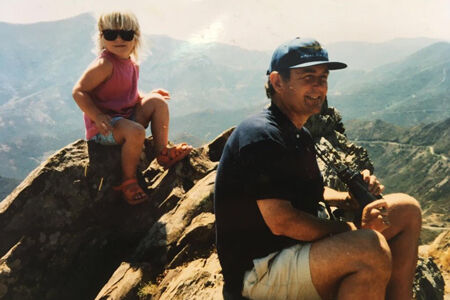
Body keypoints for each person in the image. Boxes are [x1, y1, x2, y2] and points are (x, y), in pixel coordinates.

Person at [214, 37, 422, 300]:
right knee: (369, 248)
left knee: (406, 209)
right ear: (278, 82)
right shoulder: (261, 135)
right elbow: (282, 221)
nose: (319, 87)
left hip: (294, 254)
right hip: (259, 272)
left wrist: (350, 198)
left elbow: (307, 189)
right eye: (308, 77)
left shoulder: (298, 133)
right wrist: (350, 230)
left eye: (323, 78)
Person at [73, 11, 192, 205]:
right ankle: (128, 180)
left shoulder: (131, 63)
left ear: (135, 37)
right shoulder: (104, 64)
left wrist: (148, 96)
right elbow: (78, 91)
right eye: (111, 34)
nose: (119, 39)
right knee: (137, 132)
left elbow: (126, 93)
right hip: (105, 128)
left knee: (158, 102)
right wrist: (96, 115)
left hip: (125, 118)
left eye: (126, 34)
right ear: (102, 38)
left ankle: (162, 153)